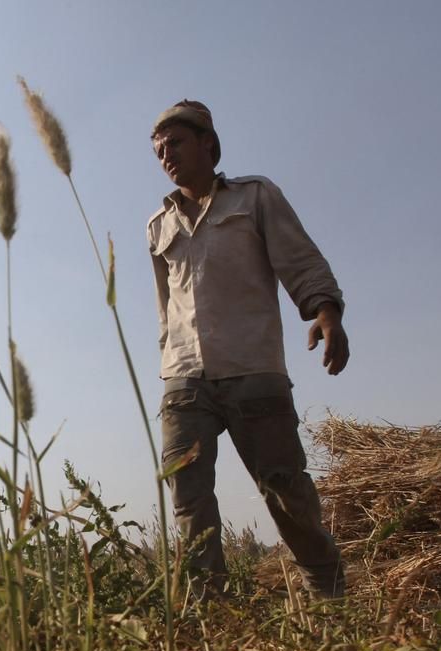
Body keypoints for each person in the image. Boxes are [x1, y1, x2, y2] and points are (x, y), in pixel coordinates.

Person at [147, 100, 348, 600]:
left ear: (208, 145)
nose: (166, 155)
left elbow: (298, 257)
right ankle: (210, 611)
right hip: (185, 379)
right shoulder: (158, 226)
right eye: (158, 149)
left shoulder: (254, 197)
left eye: (176, 143)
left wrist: (326, 312)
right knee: (189, 500)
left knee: (285, 489)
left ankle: (326, 591)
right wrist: (167, 358)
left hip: (252, 368)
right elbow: (164, 304)